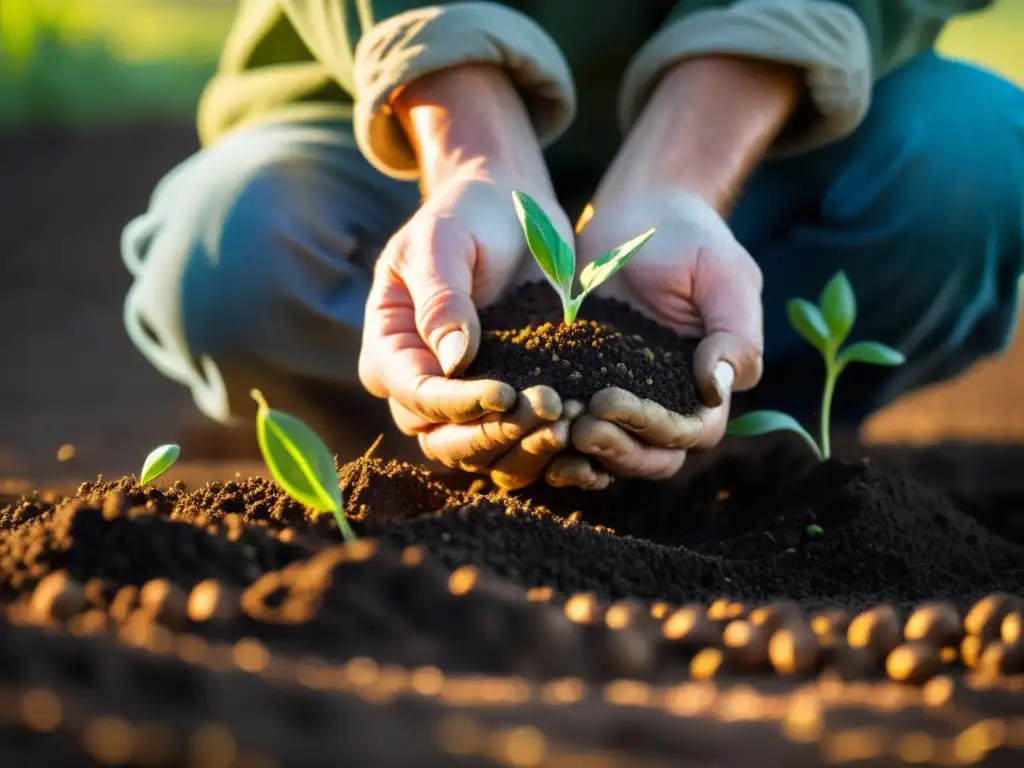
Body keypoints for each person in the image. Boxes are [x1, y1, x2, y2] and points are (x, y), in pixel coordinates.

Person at [122, 0, 1024, 491]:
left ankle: (730, 437)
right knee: (230, 248)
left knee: (974, 166)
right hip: (398, 120)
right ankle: (424, 433)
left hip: (774, 129)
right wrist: (474, 157)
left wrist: (677, 179)